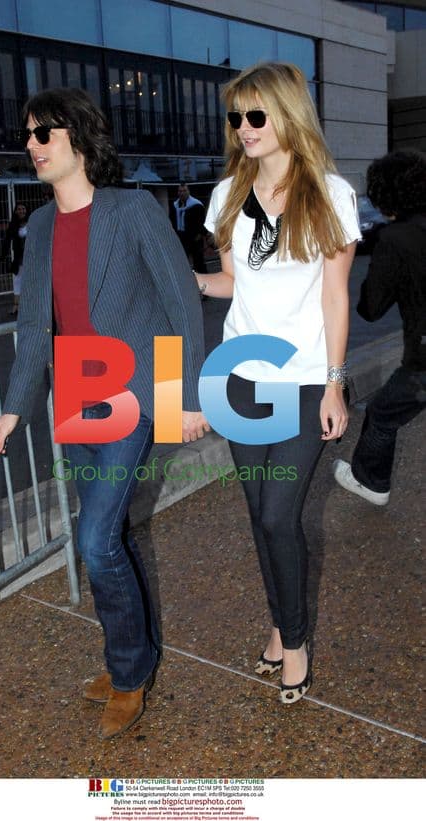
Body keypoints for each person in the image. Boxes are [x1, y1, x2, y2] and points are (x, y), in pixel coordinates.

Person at [0, 88, 208, 740]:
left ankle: (132, 674)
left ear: (78, 136)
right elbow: (33, 330)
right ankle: (125, 657)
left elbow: (181, 304)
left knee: (95, 540)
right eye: (27, 134)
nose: (32, 145)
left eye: (42, 132)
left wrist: (184, 396)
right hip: (78, 397)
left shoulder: (132, 209)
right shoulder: (42, 225)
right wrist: (12, 411)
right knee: (113, 536)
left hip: (132, 393)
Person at [194, 62, 361, 703]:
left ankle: (295, 642)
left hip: (302, 384)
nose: (243, 128)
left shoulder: (331, 194)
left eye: (256, 115)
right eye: (236, 117)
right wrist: (191, 283)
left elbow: (335, 298)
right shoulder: (227, 195)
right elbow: (233, 284)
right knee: (259, 518)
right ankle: (278, 625)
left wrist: (336, 384)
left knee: (278, 512)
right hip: (240, 379)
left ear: (288, 115)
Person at [333, 149, 426, 505]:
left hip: (423, 358)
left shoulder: (395, 238)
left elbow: (371, 309)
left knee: (382, 413)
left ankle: (370, 480)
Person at [169, 182, 207, 271]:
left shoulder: (196, 205)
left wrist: (200, 234)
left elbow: (203, 221)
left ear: (189, 191)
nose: (182, 193)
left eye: (184, 191)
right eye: (180, 191)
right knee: (182, 261)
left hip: (195, 238)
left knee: (198, 262)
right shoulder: (174, 205)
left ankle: (203, 278)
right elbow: (171, 220)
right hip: (181, 237)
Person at [1, 201, 29, 315]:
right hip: (19, 258)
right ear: (16, 211)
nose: (21, 211)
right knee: (18, 280)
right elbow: (7, 240)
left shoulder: (32, 222)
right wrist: (3, 255)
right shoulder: (13, 225)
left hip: (32, 257)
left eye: (23, 208)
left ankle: (32, 305)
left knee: (32, 280)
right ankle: (16, 306)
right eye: (19, 209)